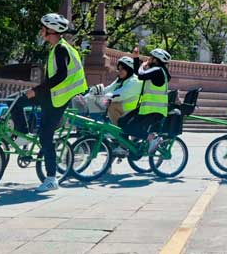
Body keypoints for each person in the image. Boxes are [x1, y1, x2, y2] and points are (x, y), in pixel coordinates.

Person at [10, 13, 87, 192]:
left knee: (45, 136)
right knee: (17, 102)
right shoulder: (56, 48)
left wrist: (36, 91)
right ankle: (22, 133)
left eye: (43, 28)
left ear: (50, 30)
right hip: (52, 95)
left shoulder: (61, 49)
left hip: (58, 99)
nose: (41, 31)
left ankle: (52, 179)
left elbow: (60, 75)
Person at [124, 48, 172, 154]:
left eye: (150, 57)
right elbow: (138, 74)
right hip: (147, 109)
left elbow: (141, 75)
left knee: (130, 128)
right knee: (122, 121)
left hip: (154, 111)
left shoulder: (158, 70)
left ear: (156, 60)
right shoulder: (157, 71)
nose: (148, 59)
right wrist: (136, 58)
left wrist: (142, 65)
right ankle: (124, 147)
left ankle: (153, 138)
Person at [91, 51, 142, 126]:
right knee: (94, 101)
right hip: (123, 108)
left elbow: (122, 94)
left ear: (129, 70)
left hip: (131, 111)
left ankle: (118, 132)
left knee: (112, 105)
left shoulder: (135, 81)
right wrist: (94, 91)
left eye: (123, 69)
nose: (120, 71)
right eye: (119, 69)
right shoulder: (121, 80)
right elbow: (108, 89)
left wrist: (106, 97)